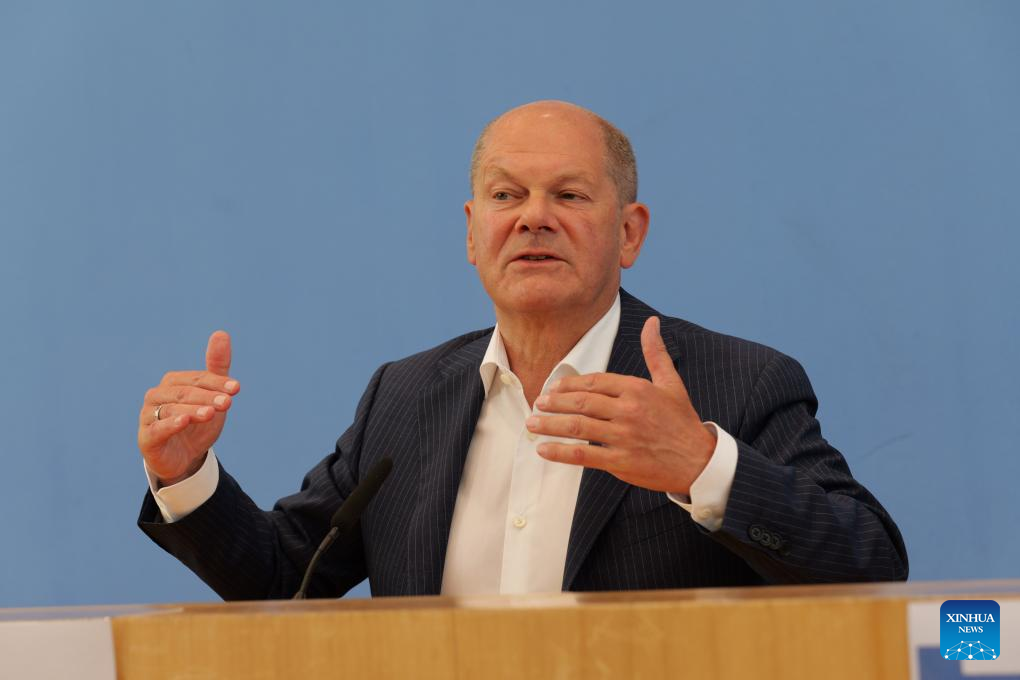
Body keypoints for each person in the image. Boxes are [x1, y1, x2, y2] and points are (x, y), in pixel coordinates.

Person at [137, 101, 908, 599]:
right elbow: (284, 577)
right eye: (506, 196)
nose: (533, 218)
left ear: (629, 233)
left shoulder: (735, 382)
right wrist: (186, 474)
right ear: (473, 233)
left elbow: (870, 565)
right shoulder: (404, 397)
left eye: (568, 195)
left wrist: (702, 465)